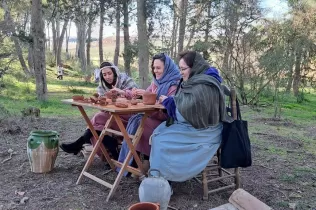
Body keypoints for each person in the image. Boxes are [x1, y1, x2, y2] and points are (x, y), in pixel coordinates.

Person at [149, 51, 230, 182]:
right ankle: (161, 175)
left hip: (205, 131)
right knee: (159, 131)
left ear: (194, 67)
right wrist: (171, 101)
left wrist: (169, 102)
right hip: (197, 126)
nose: (180, 72)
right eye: (180, 68)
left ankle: (164, 176)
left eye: (183, 69)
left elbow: (186, 113)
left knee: (161, 139)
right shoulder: (197, 81)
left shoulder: (204, 85)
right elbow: (187, 103)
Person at [117, 53, 181, 175]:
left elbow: (171, 108)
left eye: (158, 68)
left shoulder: (175, 84)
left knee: (141, 123)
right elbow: (146, 95)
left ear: (167, 68)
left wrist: (156, 97)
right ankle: (135, 162)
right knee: (136, 120)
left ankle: (141, 161)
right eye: (153, 68)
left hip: (167, 122)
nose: (155, 71)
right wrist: (128, 93)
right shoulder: (156, 83)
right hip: (152, 116)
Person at [60, 61, 138, 159]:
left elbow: (137, 96)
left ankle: (80, 143)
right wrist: (105, 99)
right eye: (104, 74)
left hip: (128, 116)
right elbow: (104, 108)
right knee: (97, 126)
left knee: (97, 119)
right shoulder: (102, 87)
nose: (107, 77)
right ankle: (110, 152)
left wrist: (121, 92)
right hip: (112, 116)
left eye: (109, 73)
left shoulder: (125, 80)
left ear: (114, 72)